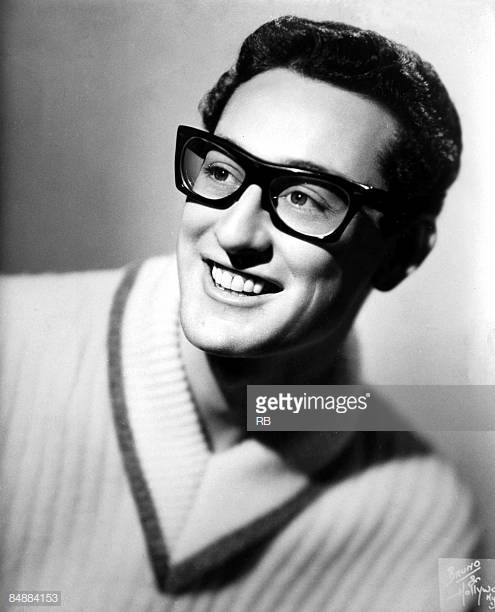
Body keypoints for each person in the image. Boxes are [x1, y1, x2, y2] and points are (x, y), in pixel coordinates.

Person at [0, 15, 479, 612]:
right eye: (222, 170)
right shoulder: (11, 343)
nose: (233, 232)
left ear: (403, 253)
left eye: (304, 197)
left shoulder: (440, 531)